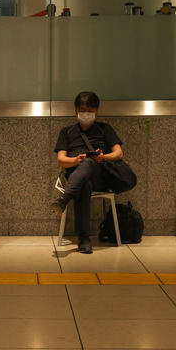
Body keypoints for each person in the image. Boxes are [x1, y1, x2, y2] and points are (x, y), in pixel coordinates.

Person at [51, 91, 124, 254]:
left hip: (100, 175)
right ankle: (84, 238)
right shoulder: (67, 132)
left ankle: (65, 199)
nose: (86, 114)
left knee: (89, 161)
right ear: (75, 110)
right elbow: (61, 160)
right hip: (76, 176)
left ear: (97, 111)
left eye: (90, 111)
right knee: (85, 184)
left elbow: (119, 154)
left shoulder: (105, 129)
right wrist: (76, 160)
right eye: (82, 110)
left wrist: (103, 157)